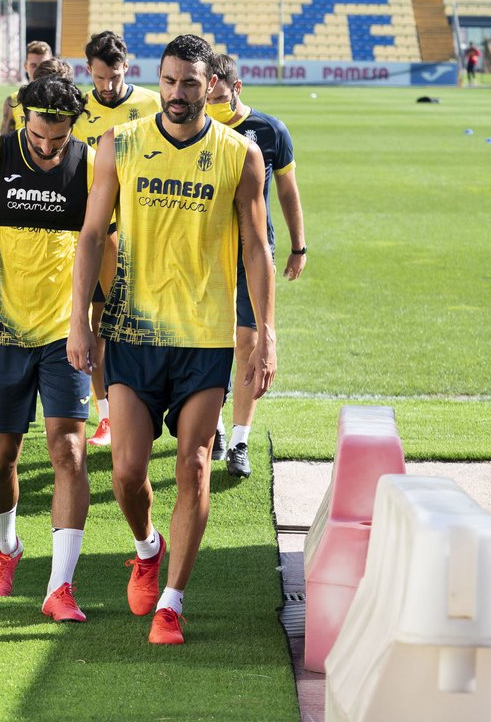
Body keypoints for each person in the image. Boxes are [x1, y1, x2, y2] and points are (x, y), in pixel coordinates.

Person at [69, 34, 276, 645]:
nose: (178, 93)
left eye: (190, 82)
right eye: (169, 81)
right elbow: (90, 235)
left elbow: (257, 249)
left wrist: (267, 333)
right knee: (127, 472)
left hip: (205, 338)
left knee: (194, 464)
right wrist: (78, 318)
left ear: (211, 85)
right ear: (156, 80)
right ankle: (146, 547)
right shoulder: (120, 144)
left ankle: (172, 603)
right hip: (132, 331)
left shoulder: (240, 154)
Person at [0, 74, 104, 623]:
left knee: (68, 452)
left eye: (59, 138)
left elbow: (106, 247)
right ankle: (6, 547)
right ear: (21, 118)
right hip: (3, 331)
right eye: (38, 137)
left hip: (64, 332)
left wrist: (93, 323)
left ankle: (60, 586)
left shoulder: (90, 164)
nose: (48, 148)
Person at [207, 53, 307, 478]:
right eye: (206, 99)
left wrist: (299, 246)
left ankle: (240, 440)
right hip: (205, 253)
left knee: (247, 342)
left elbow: (287, 190)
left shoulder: (269, 130)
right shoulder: (194, 128)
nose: (211, 106)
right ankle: (214, 427)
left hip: (253, 252)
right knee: (209, 342)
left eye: (218, 98)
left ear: (237, 88)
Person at [72, 31, 163, 451]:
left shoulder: (150, 104)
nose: (107, 86)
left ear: (127, 67)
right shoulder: (78, 109)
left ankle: (146, 404)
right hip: (89, 232)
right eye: (99, 77)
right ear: (88, 70)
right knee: (95, 322)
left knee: (135, 321)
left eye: (114, 76)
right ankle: (105, 415)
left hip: (137, 231)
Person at [0, 41, 53, 137]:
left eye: (43, 65)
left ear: (52, 65)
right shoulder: (13, 101)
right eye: (33, 65)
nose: (38, 70)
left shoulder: (62, 100)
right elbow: (4, 140)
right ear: (25, 66)